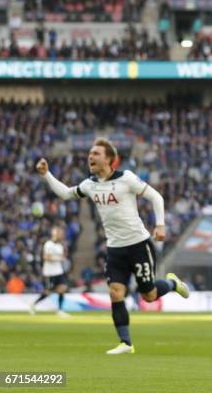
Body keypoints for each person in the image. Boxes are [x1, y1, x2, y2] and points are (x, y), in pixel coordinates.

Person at [36, 137, 190, 354]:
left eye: (96, 153)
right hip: (115, 249)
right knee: (116, 293)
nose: (91, 156)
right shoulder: (90, 185)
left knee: (149, 295)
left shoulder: (126, 178)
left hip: (139, 244)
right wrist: (47, 175)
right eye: (90, 153)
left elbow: (156, 197)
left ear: (110, 159)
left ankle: (173, 284)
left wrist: (161, 225)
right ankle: (126, 343)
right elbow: (66, 193)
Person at [30, 226, 70, 317]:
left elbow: (62, 257)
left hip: (59, 271)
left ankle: (60, 310)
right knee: (48, 292)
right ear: (54, 234)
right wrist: (59, 259)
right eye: (59, 233)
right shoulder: (48, 244)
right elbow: (46, 257)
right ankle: (33, 304)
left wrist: (61, 258)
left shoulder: (60, 245)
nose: (61, 235)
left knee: (63, 288)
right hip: (50, 272)